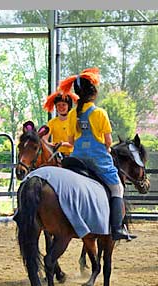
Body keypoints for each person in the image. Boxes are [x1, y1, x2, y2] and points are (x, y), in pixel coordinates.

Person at [58, 67, 136, 241]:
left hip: (76, 159)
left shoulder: (71, 114)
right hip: (97, 161)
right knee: (117, 188)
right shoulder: (100, 113)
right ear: (93, 92)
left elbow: (70, 143)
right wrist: (108, 148)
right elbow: (108, 142)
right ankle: (117, 228)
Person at [43, 90, 78, 156]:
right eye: (58, 105)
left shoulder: (74, 121)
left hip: (73, 155)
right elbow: (44, 139)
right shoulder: (52, 122)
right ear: (56, 107)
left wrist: (63, 144)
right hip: (57, 155)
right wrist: (49, 144)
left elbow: (76, 142)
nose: (61, 107)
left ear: (69, 106)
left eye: (63, 104)